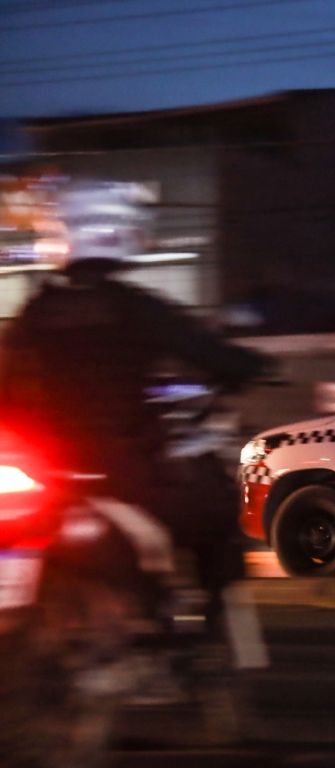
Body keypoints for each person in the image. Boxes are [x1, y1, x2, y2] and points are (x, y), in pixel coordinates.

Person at [0, 180, 273, 629]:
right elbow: (205, 351)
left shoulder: (34, 311)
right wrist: (251, 366)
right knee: (215, 509)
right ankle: (205, 622)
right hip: (123, 469)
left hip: (43, 470)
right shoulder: (134, 308)